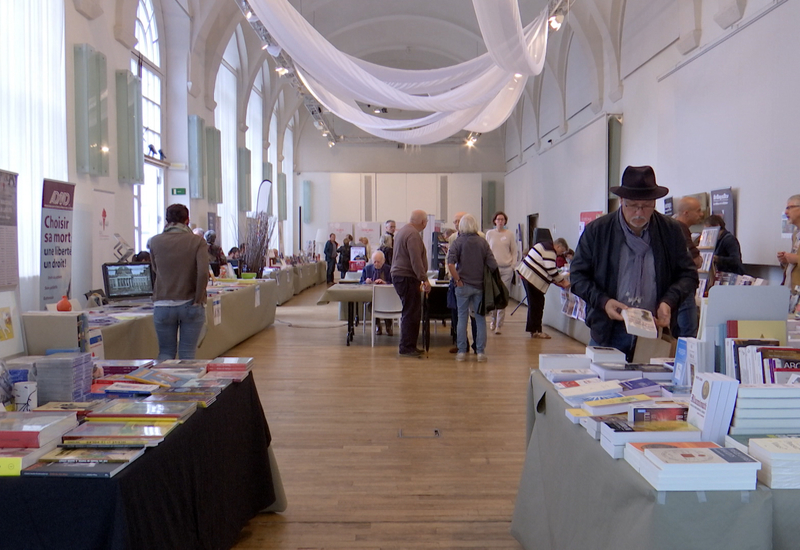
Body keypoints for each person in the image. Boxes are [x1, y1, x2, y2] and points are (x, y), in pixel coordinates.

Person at [570, 165, 698, 361]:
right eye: (632, 205)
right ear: (621, 201)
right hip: (607, 332)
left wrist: (668, 302)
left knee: (651, 389)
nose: (639, 212)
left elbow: (688, 275)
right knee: (603, 389)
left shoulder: (671, 231)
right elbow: (578, 277)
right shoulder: (598, 231)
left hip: (653, 331)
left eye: (646, 206)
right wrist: (604, 302)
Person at [149, 204, 208, 360]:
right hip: (190, 303)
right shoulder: (197, 242)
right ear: (187, 220)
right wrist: (198, 298)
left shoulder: (154, 241)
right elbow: (202, 272)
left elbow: (155, 269)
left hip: (162, 303)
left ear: (167, 220)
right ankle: (186, 384)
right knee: (187, 354)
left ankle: (164, 383)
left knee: (165, 352)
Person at [447, 213, 497, 362]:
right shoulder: (483, 242)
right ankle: (480, 352)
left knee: (462, 318)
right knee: (480, 318)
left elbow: (450, 263)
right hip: (479, 286)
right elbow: (493, 264)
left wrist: (457, 279)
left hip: (462, 286)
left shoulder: (457, 242)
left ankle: (462, 351)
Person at [391, 210, 431, 357]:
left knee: (411, 311)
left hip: (401, 276)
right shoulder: (413, 234)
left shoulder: (404, 231)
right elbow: (416, 260)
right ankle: (407, 347)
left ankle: (409, 345)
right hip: (407, 277)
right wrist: (424, 279)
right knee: (411, 312)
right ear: (423, 222)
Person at [516, 238, 569, 339]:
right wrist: (562, 280)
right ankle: (536, 330)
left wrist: (557, 280)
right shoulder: (550, 251)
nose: (559, 254)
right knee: (536, 304)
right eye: (561, 251)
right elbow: (551, 270)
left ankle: (534, 329)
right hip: (531, 278)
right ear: (557, 246)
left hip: (527, 275)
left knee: (536, 303)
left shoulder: (544, 245)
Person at [447, 212, 479, 353]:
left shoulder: (480, 237)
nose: (456, 224)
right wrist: (454, 278)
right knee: (458, 314)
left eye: (458, 221)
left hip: (473, 282)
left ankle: (477, 344)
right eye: (454, 221)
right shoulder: (453, 238)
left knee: (474, 315)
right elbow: (449, 259)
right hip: (457, 281)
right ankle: (462, 344)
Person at [673, 196, 704, 338]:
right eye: (698, 211)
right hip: (684, 289)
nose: (701, 214)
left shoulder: (670, 227)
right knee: (689, 334)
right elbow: (696, 261)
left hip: (672, 291)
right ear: (686, 212)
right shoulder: (681, 229)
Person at [485, 211, 517, 335]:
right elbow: (486, 250)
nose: (500, 221)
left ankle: (499, 324)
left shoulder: (509, 235)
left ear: (505, 221)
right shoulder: (490, 234)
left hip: (506, 268)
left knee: (503, 295)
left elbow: (514, 251)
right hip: (493, 268)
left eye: (502, 219)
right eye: (498, 219)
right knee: (493, 294)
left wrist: (513, 265)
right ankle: (492, 319)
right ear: (494, 221)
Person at [360, 250, 394, 336]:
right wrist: (366, 282)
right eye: (374, 261)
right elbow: (360, 283)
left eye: (378, 262)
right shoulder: (367, 269)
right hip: (372, 296)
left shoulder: (389, 269)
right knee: (371, 304)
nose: (376, 264)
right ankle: (377, 325)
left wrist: (385, 282)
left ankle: (388, 326)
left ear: (383, 261)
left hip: (387, 296)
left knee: (387, 304)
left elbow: (394, 283)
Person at [778, 195, 800, 288]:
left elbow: (797, 259)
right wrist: (785, 261)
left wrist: (796, 259)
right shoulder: (795, 234)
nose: (786, 212)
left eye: (789, 208)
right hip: (791, 291)